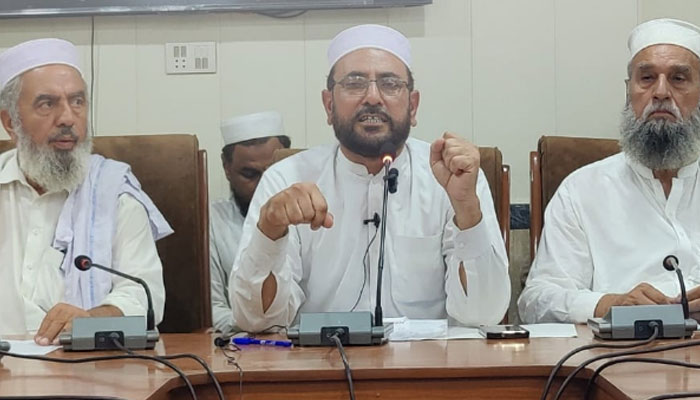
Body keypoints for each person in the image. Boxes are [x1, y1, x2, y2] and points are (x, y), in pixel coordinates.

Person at [230, 24, 510, 332]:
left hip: (428, 369)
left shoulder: (454, 178)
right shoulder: (285, 179)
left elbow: (485, 315)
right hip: (323, 369)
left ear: (413, 106)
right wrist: (270, 231)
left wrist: (466, 207)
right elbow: (255, 320)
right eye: (354, 83)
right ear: (328, 105)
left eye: (390, 84)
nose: (373, 97)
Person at [519, 18, 700, 323]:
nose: (660, 92)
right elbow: (536, 302)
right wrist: (610, 305)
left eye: (679, 79)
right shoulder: (582, 189)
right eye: (646, 78)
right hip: (617, 360)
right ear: (629, 91)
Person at [0, 38, 171, 343]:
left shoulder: (116, 195)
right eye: (47, 103)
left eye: (77, 101)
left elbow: (146, 296)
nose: (67, 118)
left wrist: (94, 319)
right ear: (10, 122)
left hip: (83, 371)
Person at [210, 111, 290, 333]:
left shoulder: (310, 218)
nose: (265, 185)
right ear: (227, 168)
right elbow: (212, 309)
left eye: (273, 172)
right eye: (250, 174)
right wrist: (256, 324)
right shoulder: (211, 222)